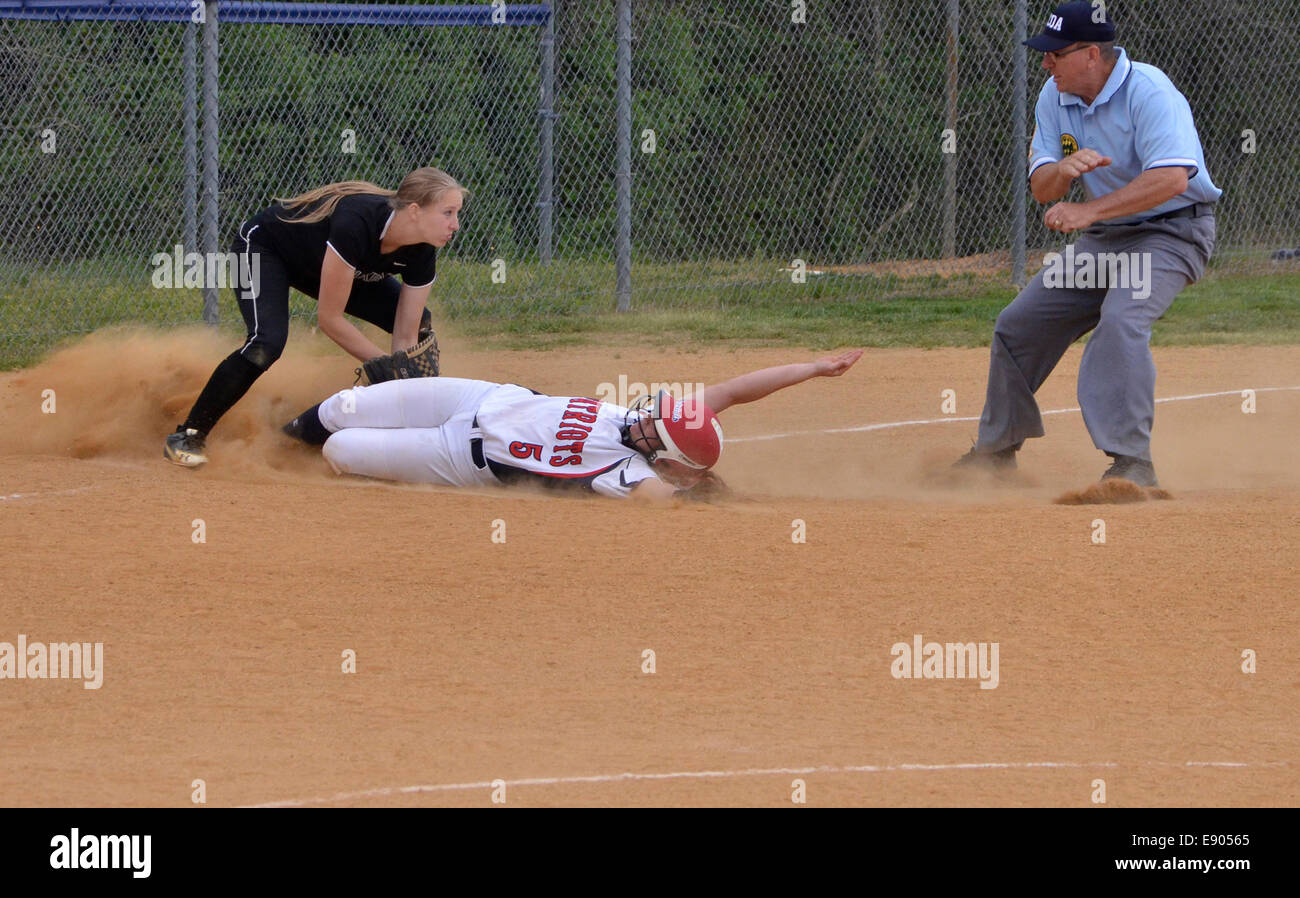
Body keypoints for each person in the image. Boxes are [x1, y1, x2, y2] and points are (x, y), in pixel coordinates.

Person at [955, 1, 1219, 487]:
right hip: (1107, 240)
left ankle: (1132, 464)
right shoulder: (1054, 97)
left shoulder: (1150, 91)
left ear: (1092, 55)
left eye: (1055, 53)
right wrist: (1061, 172)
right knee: (1018, 325)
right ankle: (995, 454)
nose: (1045, 63)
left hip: (1173, 231)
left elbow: (1174, 179)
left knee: (1121, 319)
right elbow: (1042, 189)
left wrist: (1089, 210)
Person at [164, 167, 464, 468]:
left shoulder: (423, 250)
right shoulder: (357, 222)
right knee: (266, 344)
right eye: (447, 213)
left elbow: (406, 332)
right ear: (415, 211)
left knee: (420, 326)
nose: (456, 224)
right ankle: (188, 435)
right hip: (265, 249)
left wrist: (404, 379)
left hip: (331, 265)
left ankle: (376, 431)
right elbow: (329, 320)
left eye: (457, 213)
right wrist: (386, 366)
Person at [281, 350, 864, 499]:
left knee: (344, 449)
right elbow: (736, 390)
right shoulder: (645, 423)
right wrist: (814, 368)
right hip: (481, 394)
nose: (646, 417)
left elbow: (667, 501)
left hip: (461, 457)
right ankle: (271, 444)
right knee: (340, 408)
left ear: (665, 461)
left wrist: (702, 494)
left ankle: (314, 460)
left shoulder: (624, 473)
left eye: (654, 432)